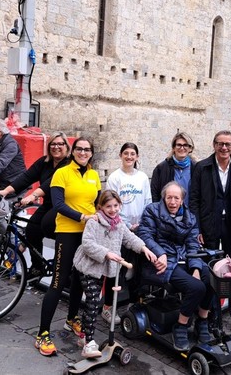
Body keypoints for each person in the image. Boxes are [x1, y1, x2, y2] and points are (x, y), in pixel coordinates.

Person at [35, 137, 101, 357]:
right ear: (73, 151)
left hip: (88, 235)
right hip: (67, 232)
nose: (83, 152)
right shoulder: (62, 173)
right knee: (58, 280)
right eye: (79, 149)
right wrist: (82, 216)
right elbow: (59, 205)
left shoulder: (93, 175)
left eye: (87, 149)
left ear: (92, 153)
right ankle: (42, 334)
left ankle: (72, 320)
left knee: (79, 280)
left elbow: (97, 204)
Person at [72, 190, 156, 358]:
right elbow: (87, 244)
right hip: (88, 267)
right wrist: (106, 253)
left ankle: (83, 336)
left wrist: (145, 248)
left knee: (93, 302)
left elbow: (129, 238)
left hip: (102, 269)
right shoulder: (94, 221)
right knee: (94, 301)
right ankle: (88, 342)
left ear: (120, 206)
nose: (112, 210)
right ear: (100, 207)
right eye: (108, 206)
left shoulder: (118, 224)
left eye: (116, 206)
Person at [189, 130, 231, 337]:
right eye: (220, 144)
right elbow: (194, 200)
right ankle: (213, 317)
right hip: (210, 225)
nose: (224, 148)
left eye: (228, 144)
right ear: (214, 145)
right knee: (213, 273)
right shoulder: (202, 167)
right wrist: (196, 228)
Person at [137, 181, 214, 351]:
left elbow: (193, 244)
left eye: (176, 198)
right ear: (163, 198)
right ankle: (181, 325)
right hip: (160, 262)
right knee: (196, 287)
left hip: (184, 258)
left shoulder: (189, 216)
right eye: (169, 197)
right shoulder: (152, 210)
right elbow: (145, 235)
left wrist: (195, 268)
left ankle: (202, 320)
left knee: (211, 279)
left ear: (182, 200)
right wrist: (161, 253)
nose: (172, 201)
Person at [0, 131, 71, 277]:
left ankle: (65, 262)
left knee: (50, 228)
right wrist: (5, 191)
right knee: (32, 230)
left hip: (65, 205)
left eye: (60, 144)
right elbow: (26, 178)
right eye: (53, 144)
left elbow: (50, 183)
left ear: (67, 146)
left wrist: (33, 196)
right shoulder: (44, 162)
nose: (56, 147)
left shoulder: (68, 165)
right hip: (48, 204)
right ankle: (37, 267)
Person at [101, 142, 152, 324]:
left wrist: (142, 223)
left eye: (133, 154)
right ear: (121, 156)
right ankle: (108, 307)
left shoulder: (143, 177)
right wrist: (125, 224)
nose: (129, 157)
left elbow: (147, 201)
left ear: (137, 157)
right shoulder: (115, 177)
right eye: (126, 153)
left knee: (137, 270)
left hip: (139, 229)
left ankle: (133, 303)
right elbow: (110, 204)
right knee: (116, 270)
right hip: (119, 228)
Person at [150, 132, 197, 205]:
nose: (182, 148)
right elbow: (154, 194)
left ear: (190, 148)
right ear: (173, 147)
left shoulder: (197, 168)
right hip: (167, 214)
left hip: (191, 214)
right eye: (179, 145)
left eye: (185, 145)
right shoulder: (161, 168)